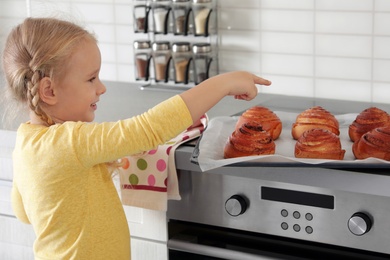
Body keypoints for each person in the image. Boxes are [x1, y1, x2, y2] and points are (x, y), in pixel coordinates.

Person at [2, 17, 271, 259]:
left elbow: (25, 213)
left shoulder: (27, 142)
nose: (101, 87)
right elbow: (148, 129)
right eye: (91, 79)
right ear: (48, 90)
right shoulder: (69, 142)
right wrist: (224, 83)